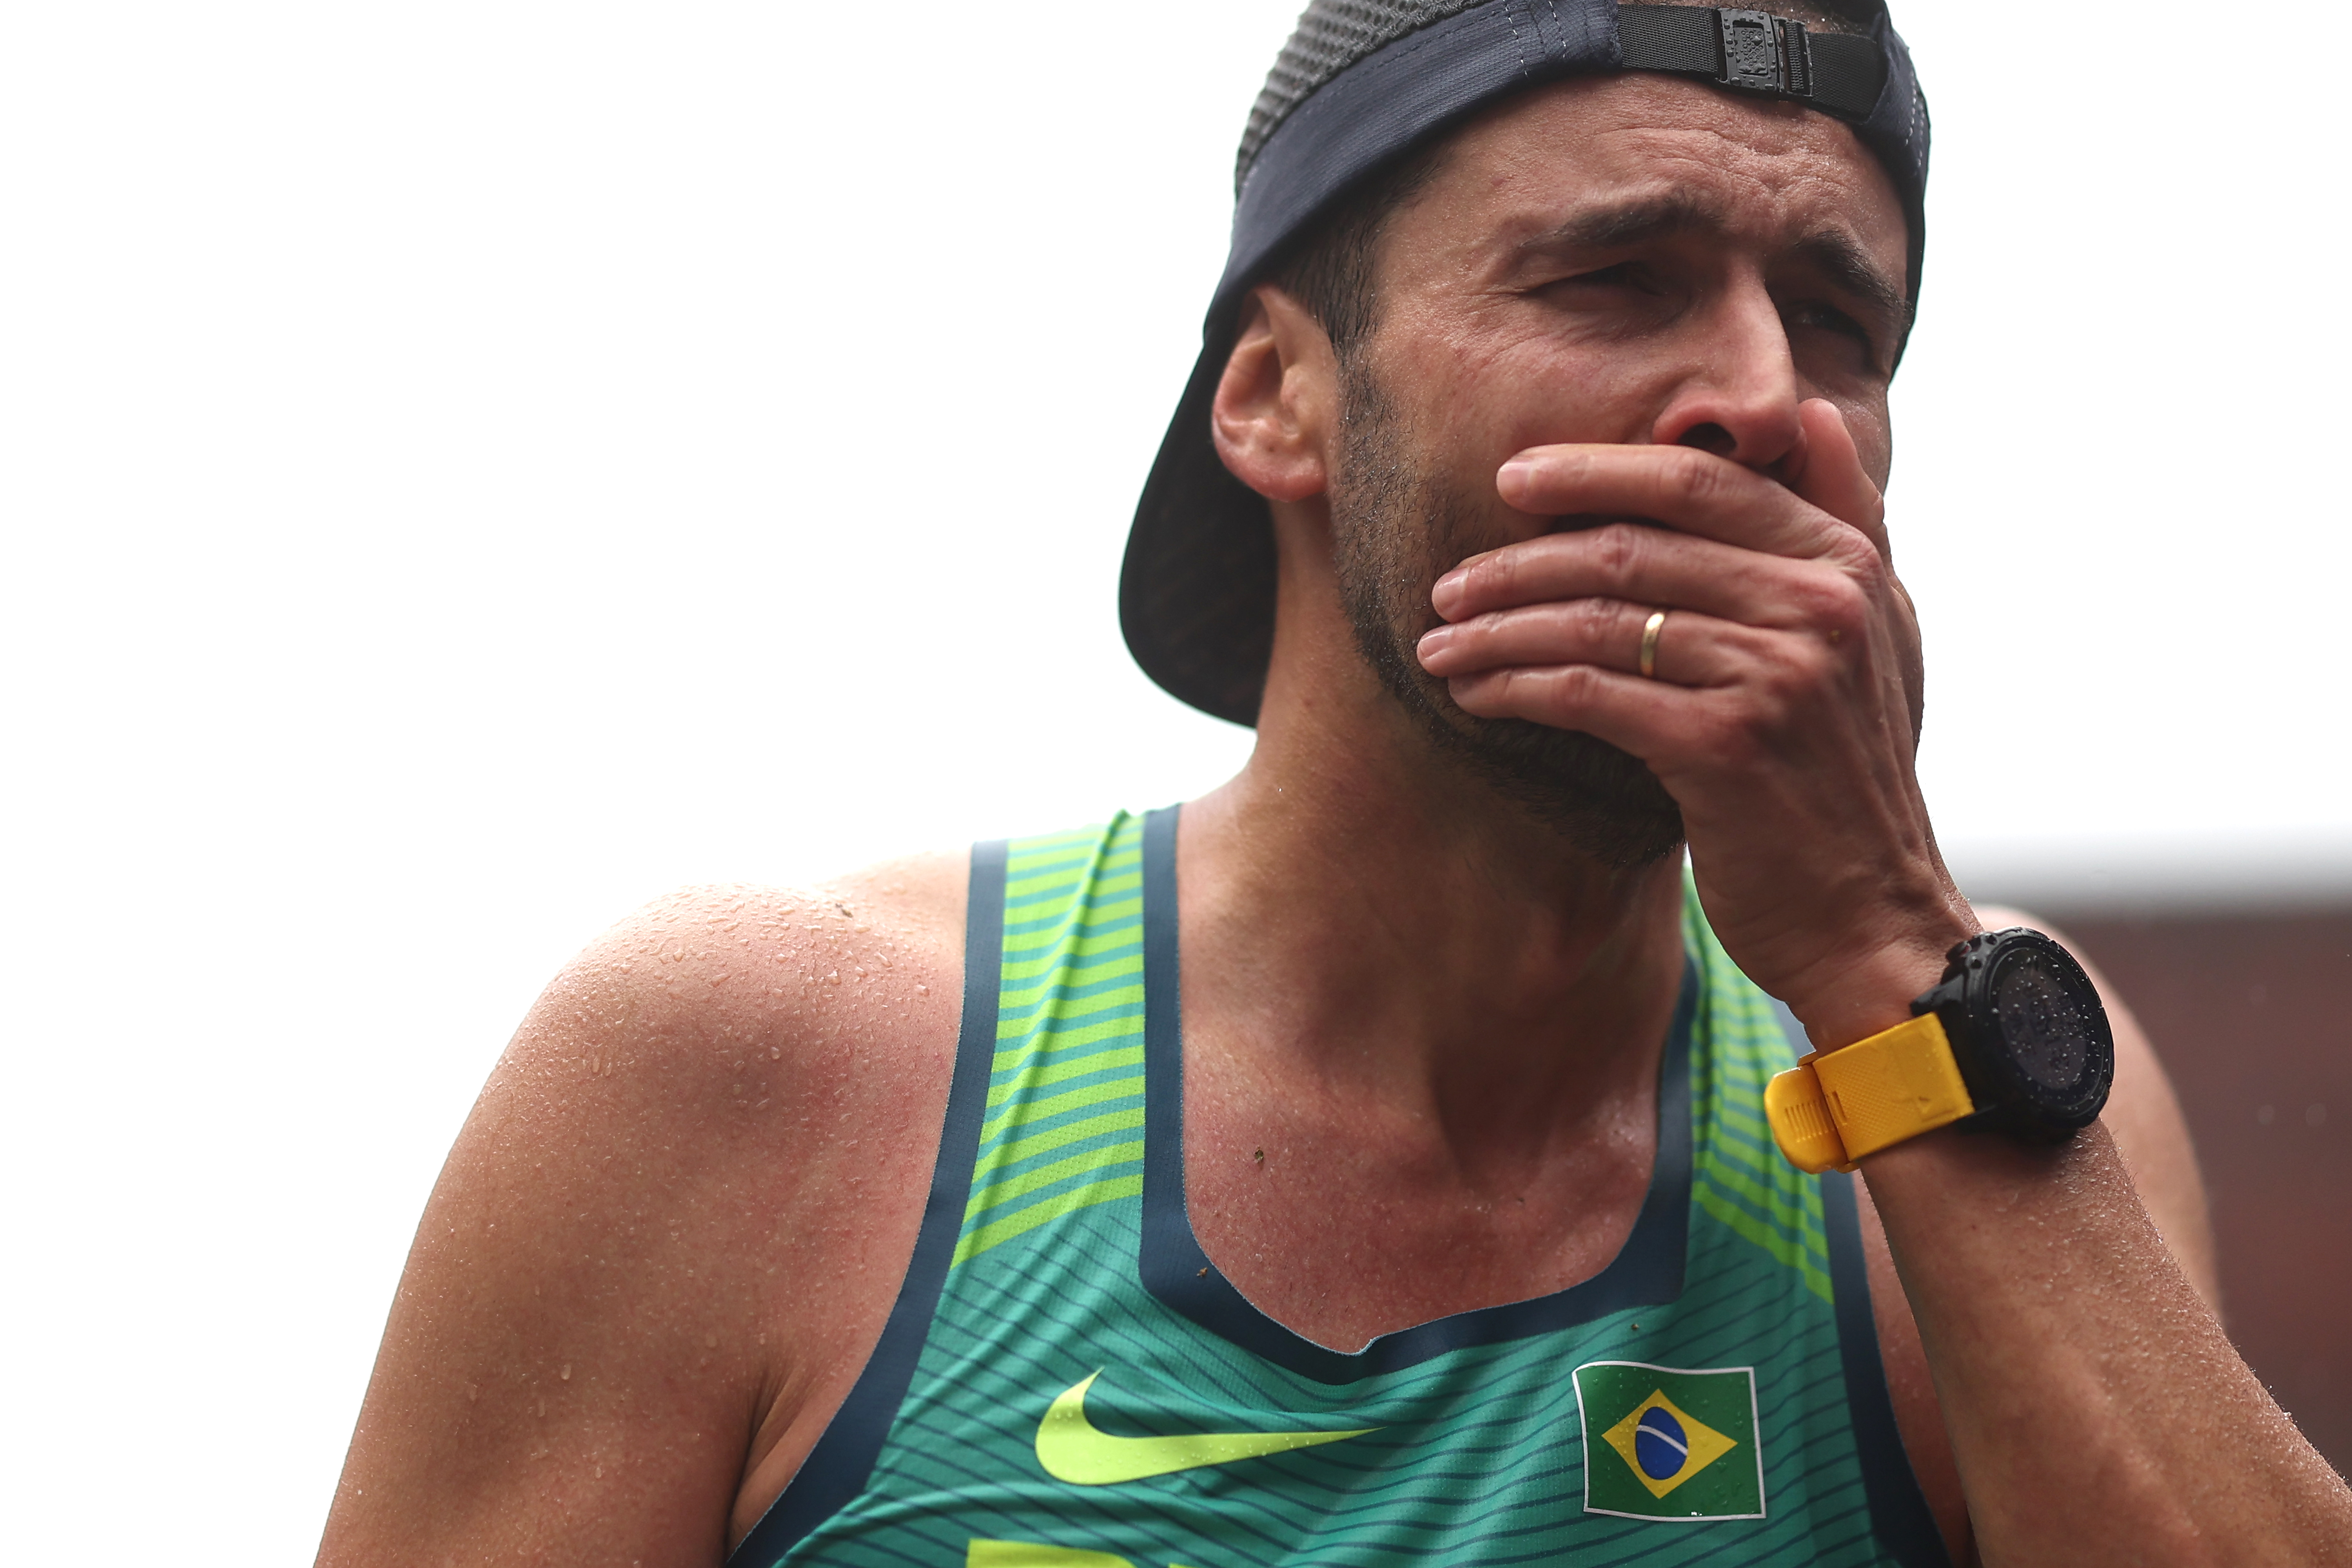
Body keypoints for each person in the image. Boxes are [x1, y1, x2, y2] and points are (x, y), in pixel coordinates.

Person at [318, 2, 2352, 1564]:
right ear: (1276, 399)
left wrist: (1893, 951)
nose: (1761, 394)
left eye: (1843, 320)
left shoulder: (1971, 1084)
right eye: (1616, 277)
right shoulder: (755, 1067)